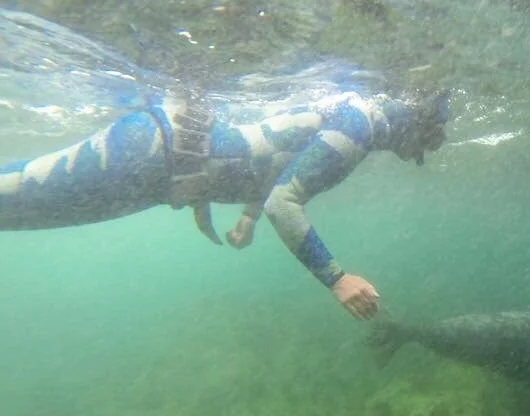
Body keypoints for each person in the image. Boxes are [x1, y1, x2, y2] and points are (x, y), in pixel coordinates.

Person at [0, 87, 450, 319]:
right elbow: (285, 202)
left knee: (14, 211)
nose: (420, 154)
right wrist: (335, 278)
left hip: (159, 165)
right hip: (153, 155)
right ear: (413, 120)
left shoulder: (356, 118)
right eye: (429, 138)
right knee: (13, 196)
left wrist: (247, 217)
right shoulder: (360, 124)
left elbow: (275, 161)